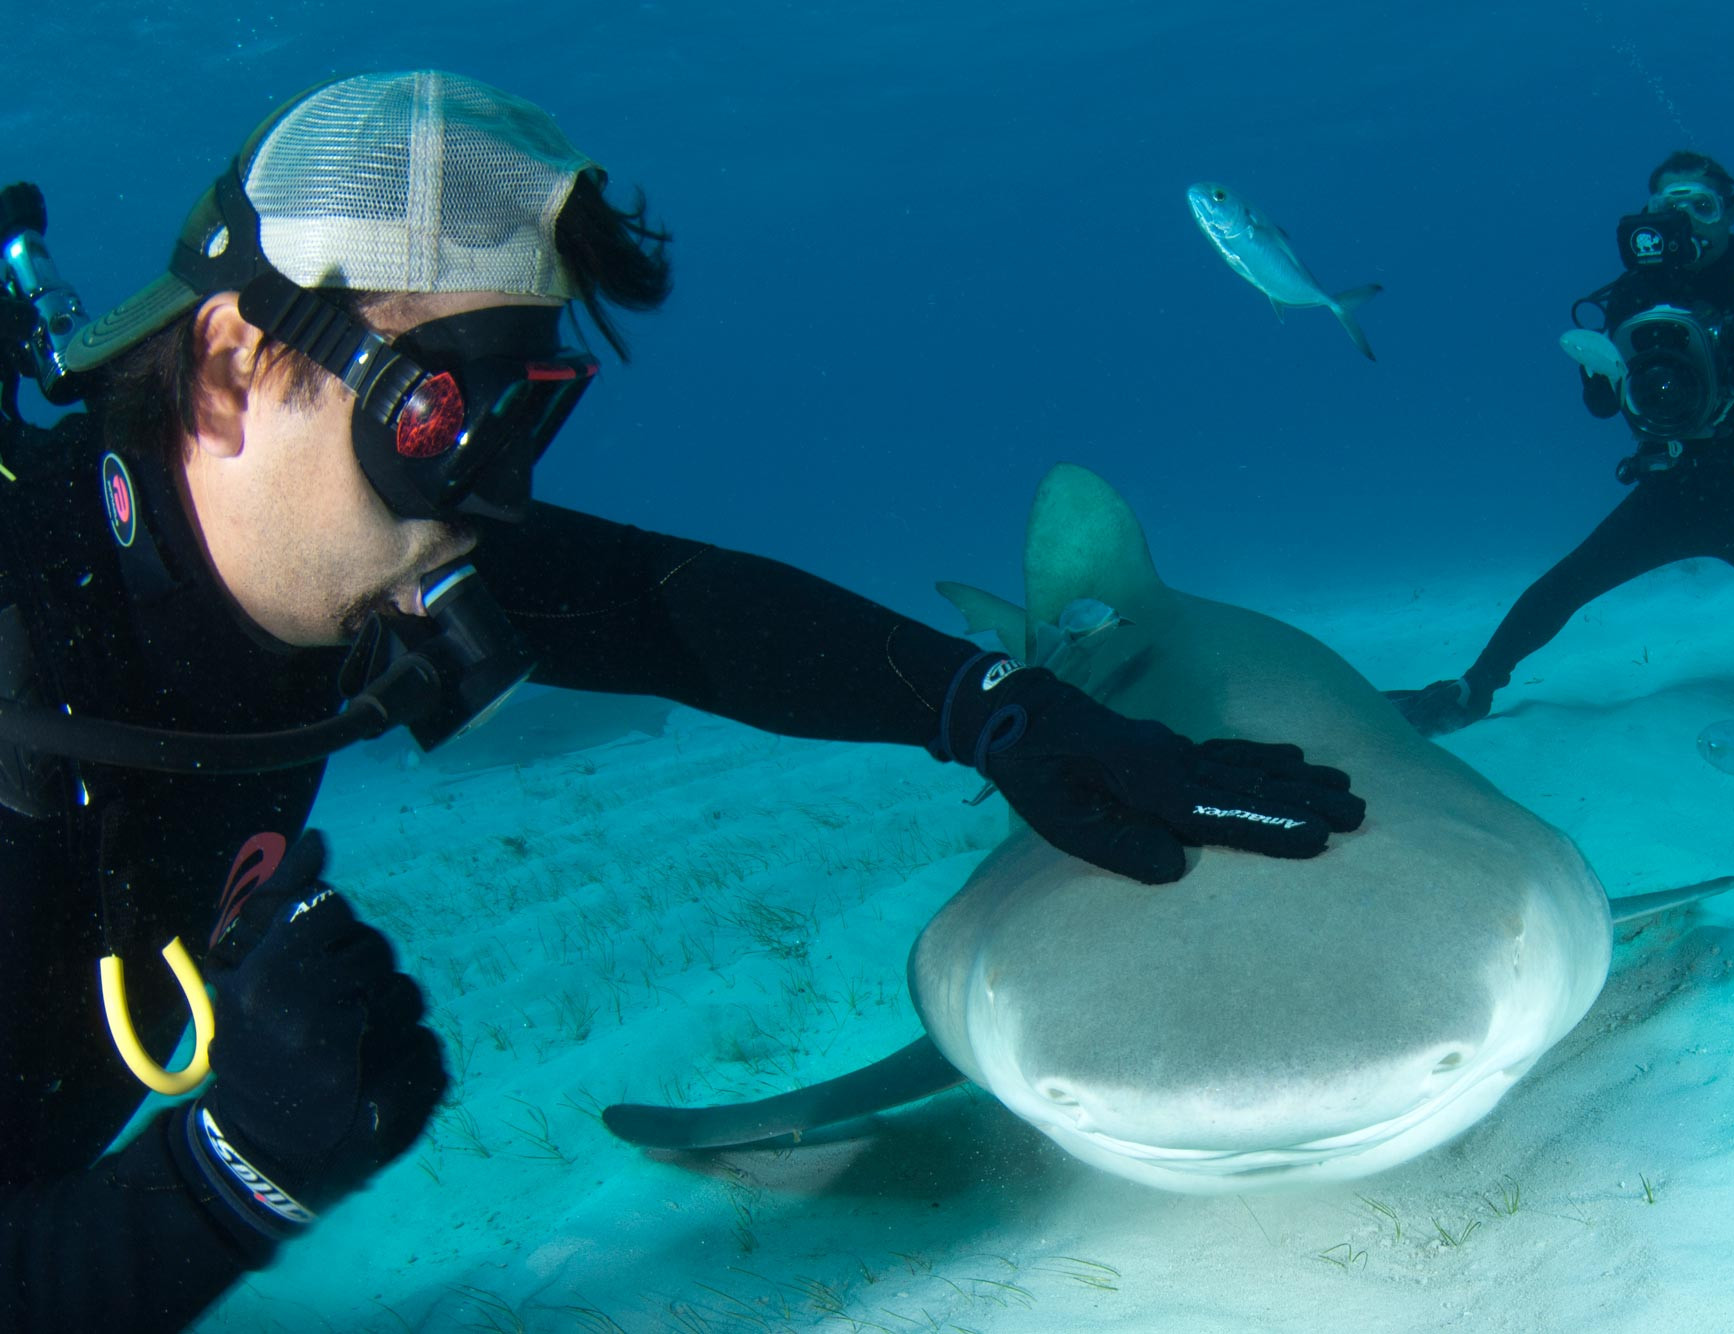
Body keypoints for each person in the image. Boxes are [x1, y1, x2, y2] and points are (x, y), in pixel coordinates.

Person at [0, 72, 1367, 1329]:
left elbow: (675, 610)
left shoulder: (336, 555)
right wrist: (224, 1184)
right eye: (430, 431)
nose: (485, 516)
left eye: (521, 423)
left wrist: (1001, 707)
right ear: (240, 363)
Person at [1391, 151, 1734, 736]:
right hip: (1674, 487)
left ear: (1728, 212)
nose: (1687, 222)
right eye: (1667, 208)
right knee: (1568, 582)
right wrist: (1602, 361)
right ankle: (1473, 688)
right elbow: (1602, 406)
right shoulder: (1631, 295)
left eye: (1701, 206)